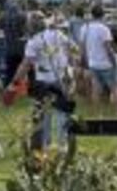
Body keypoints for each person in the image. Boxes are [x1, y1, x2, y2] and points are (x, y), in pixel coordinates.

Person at [10, 15, 76, 150]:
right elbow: (73, 47)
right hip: (61, 76)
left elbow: (25, 64)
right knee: (62, 111)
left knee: (45, 114)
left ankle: (46, 143)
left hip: (43, 80)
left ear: (30, 26)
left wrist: (15, 82)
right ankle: (62, 144)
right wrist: (69, 63)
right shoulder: (57, 34)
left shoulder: (33, 42)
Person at [81, 4, 117, 107]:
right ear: (103, 15)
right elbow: (108, 48)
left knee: (96, 89)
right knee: (114, 88)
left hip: (92, 63)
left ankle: (96, 112)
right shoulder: (104, 29)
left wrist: (85, 62)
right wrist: (114, 62)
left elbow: (83, 47)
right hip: (105, 64)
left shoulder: (85, 28)